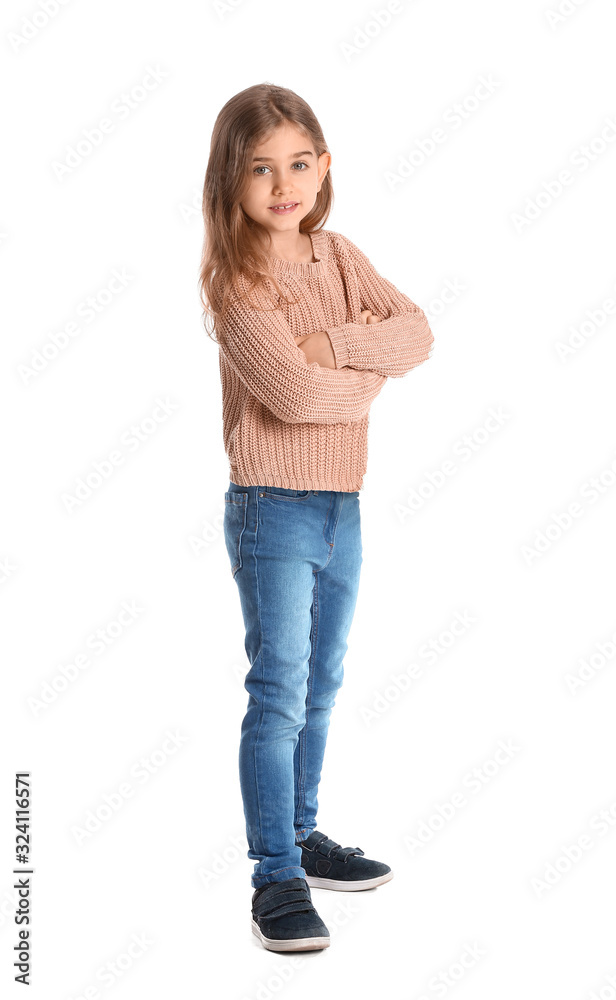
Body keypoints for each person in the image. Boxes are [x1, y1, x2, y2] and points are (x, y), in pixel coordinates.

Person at [199, 83, 434, 952]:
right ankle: (275, 877)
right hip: (272, 505)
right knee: (279, 692)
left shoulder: (338, 258)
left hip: (344, 503)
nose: (283, 182)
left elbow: (414, 333)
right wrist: (363, 383)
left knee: (323, 683)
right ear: (231, 182)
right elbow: (292, 401)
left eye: (299, 163)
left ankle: (302, 832)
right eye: (260, 168)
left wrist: (340, 347)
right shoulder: (239, 283)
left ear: (324, 167)